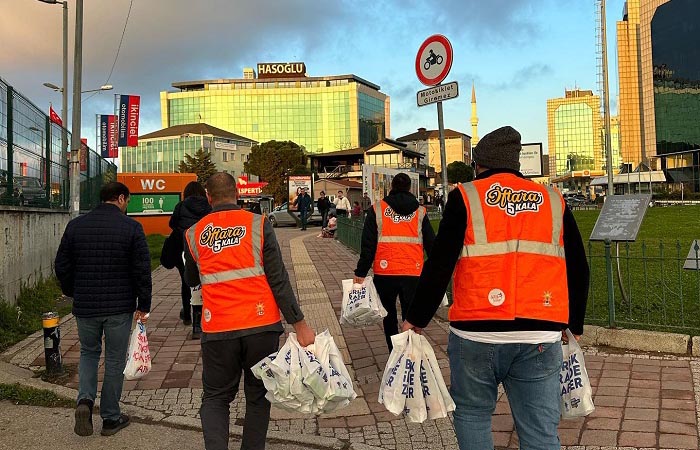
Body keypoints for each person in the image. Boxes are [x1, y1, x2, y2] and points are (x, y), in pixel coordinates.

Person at [402, 126, 590, 450]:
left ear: (479, 164)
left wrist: (416, 319)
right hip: (539, 334)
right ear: (516, 163)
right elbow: (579, 266)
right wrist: (574, 325)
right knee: (540, 433)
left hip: (476, 333)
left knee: (474, 413)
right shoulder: (553, 200)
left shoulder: (465, 196)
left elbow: (439, 265)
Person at [184, 172, 316, 450]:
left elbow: (191, 280)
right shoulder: (258, 224)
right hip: (262, 326)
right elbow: (278, 278)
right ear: (237, 194)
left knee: (216, 398)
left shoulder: (194, 233)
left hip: (218, 328)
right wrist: (299, 324)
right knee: (257, 397)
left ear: (208, 197)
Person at [54, 181, 151, 437]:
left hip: (85, 305)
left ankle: (84, 401)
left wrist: (72, 290)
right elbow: (142, 270)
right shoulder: (131, 227)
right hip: (119, 307)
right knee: (115, 359)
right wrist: (144, 305)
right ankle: (110, 417)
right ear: (120, 198)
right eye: (127, 201)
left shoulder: (76, 226)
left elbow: (61, 264)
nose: (127, 206)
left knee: (88, 353)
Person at [353, 173, 435, 350]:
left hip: (385, 272)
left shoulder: (377, 209)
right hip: (413, 272)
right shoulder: (420, 211)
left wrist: (360, 272)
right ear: (409, 188)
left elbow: (368, 245)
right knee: (410, 316)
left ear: (392, 186)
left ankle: (394, 353)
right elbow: (431, 244)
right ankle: (409, 351)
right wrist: (435, 273)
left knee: (388, 315)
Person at [169, 181, 212, 339]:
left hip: (184, 248)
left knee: (186, 281)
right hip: (205, 250)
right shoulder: (209, 205)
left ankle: (188, 315)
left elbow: (172, 224)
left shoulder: (180, 206)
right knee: (206, 281)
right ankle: (203, 318)